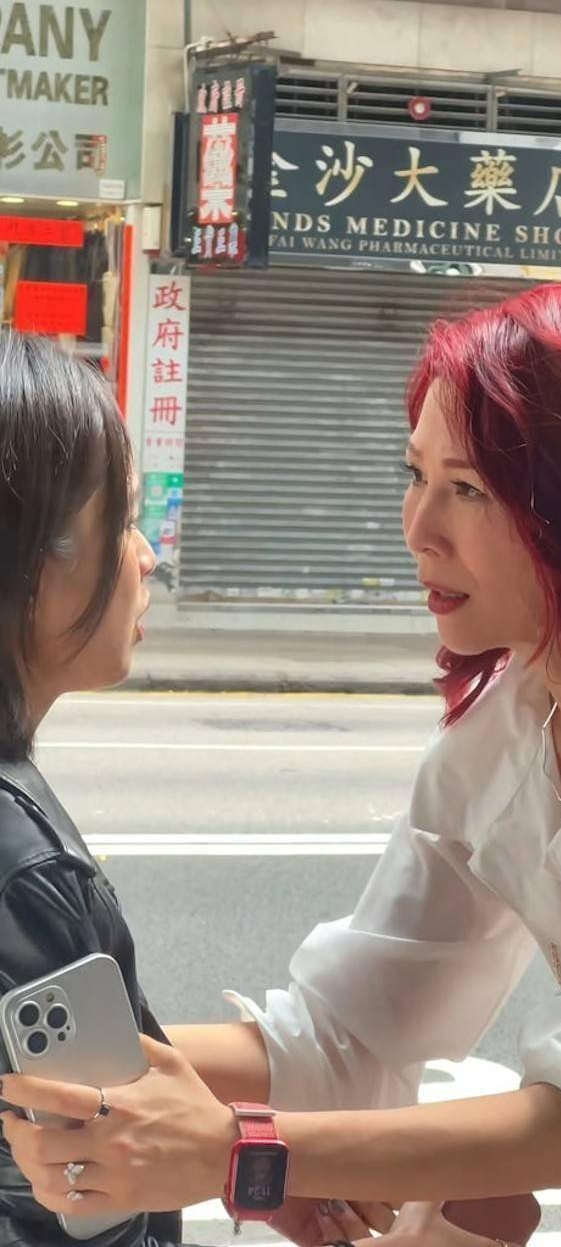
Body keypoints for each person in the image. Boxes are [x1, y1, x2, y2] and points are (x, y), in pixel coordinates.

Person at [4, 285, 561, 1247]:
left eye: (469, 489)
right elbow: (350, 1032)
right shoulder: (501, 741)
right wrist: (61, 1078)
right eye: (415, 476)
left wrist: (241, 1153)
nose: (419, 528)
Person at [0, 330, 181, 1247]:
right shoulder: (26, 879)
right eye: (122, 523)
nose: (145, 557)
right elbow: (86, 1213)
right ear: (35, 562)